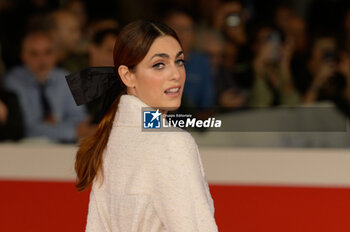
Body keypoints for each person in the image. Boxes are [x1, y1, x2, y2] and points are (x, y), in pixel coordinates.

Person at [67, 20, 218, 231]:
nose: (176, 74)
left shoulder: (112, 138)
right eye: (159, 65)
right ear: (127, 75)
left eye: (180, 61)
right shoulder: (172, 143)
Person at [2, 30, 90, 142]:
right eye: (34, 54)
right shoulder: (14, 81)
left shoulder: (65, 77)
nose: (42, 60)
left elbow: (81, 119)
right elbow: (26, 128)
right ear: (23, 56)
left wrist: (70, 130)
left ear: (56, 54)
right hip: (27, 149)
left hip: (65, 146)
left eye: (47, 52)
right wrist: (72, 131)